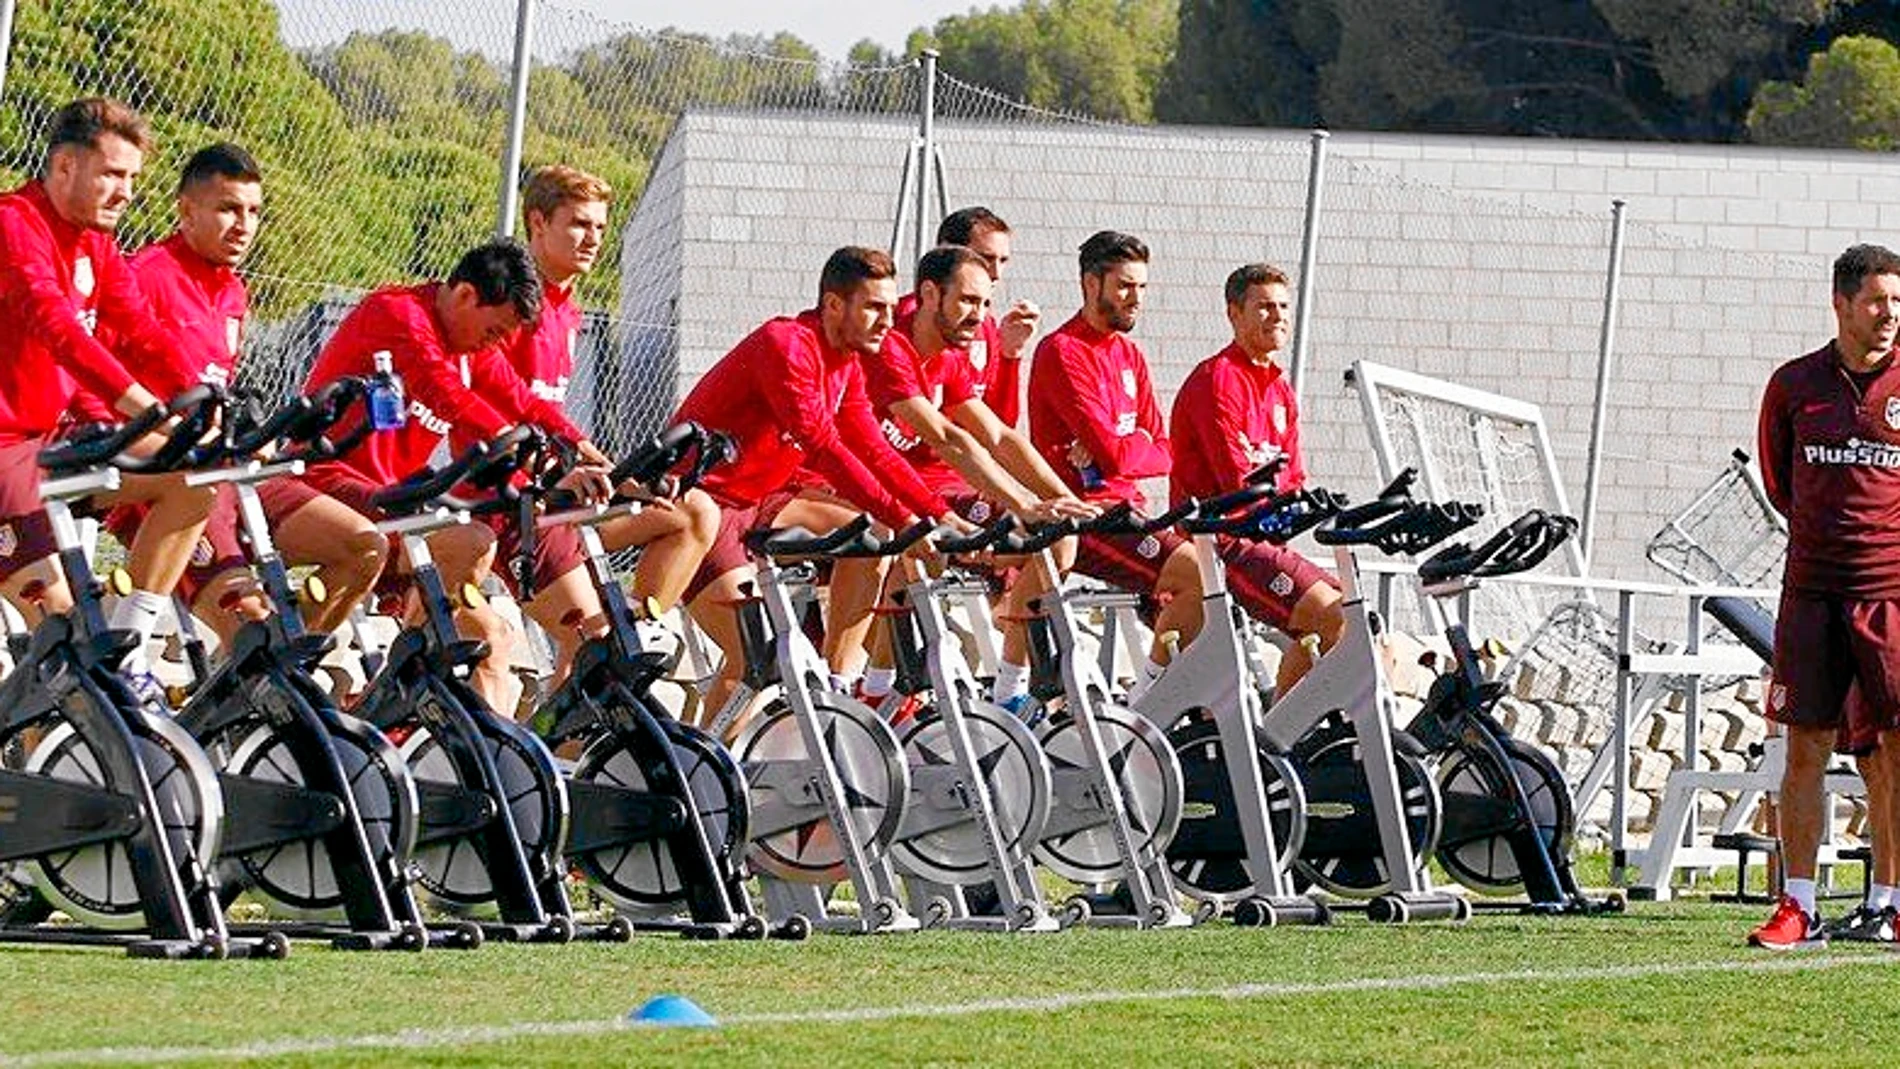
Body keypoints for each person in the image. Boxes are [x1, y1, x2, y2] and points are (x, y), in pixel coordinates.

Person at [454, 164, 719, 699]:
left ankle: (643, 629)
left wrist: (612, 471)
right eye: (578, 224)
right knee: (592, 644)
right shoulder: (513, 308)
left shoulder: (568, 311)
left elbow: (552, 419)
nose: (593, 238)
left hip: (559, 495)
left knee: (692, 512)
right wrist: (561, 472)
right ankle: (557, 756)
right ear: (537, 223)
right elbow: (490, 416)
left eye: (600, 227)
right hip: (512, 504)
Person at [673, 245, 958, 733]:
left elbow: (873, 449)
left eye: (891, 309)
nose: (887, 322)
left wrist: (935, 514)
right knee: (754, 662)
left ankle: (838, 691)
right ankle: (702, 767)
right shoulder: (786, 344)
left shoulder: (844, 362)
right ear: (832, 305)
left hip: (761, 501)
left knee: (870, 538)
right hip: (705, 505)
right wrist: (909, 519)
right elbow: (824, 447)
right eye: (874, 307)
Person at [0, 97, 218, 704]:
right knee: (62, 633)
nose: (126, 191)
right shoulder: (15, 222)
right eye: (113, 174)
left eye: (132, 178)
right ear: (65, 167)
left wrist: (202, 401)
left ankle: (130, 650)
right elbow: (57, 329)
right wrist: (144, 406)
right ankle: (42, 772)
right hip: (2, 453)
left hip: (47, 444)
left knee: (195, 474)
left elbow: (143, 331)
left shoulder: (96, 243)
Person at [297, 238, 548, 714]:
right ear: (467, 295)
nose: (494, 344)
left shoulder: (469, 344)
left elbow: (524, 401)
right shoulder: (399, 314)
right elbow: (447, 392)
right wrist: (525, 451)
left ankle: (400, 701)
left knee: (490, 627)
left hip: (394, 500)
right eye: (494, 331)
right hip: (328, 480)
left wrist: (583, 452)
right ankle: (295, 671)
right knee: (463, 546)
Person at [851, 244, 1094, 713]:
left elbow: (999, 436)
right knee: (922, 538)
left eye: (984, 304)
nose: (978, 315)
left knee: (1059, 536)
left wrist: (1065, 500)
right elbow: (948, 438)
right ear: (928, 294)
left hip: (917, 490)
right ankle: (873, 685)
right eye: (967, 301)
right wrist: (1023, 504)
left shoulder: (949, 355)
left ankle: (1007, 690)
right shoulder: (892, 346)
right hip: (859, 491)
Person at [1752, 242, 1900, 947]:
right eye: (1877, 301)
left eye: (1897, 303)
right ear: (1841, 303)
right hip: (1811, 592)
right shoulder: (1794, 385)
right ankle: (1799, 903)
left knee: (1895, 750)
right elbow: (1781, 484)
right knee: (1803, 748)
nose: (1889, 315)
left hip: (1892, 595)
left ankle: (1890, 899)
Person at [1026, 230, 1205, 696]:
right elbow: (1113, 453)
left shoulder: (1130, 355)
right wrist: (1128, 445)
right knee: (1203, 581)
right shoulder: (1062, 351)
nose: (1136, 298)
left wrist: (1130, 446)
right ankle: (1147, 702)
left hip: (1131, 512)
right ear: (1091, 284)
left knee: (1218, 590)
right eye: (1125, 286)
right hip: (1085, 516)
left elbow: (1165, 452)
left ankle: (1164, 701)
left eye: (1142, 288)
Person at [1169, 263, 1344, 694]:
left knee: (1352, 615)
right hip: (1222, 544)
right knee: (1332, 614)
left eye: (1284, 306)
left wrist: (1290, 504)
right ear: (1234, 313)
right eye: (1264, 307)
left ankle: (1285, 732)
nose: (1278, 316)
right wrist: (1278, 501)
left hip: (1261, 542)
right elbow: (1239, 481)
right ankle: (1278, 738)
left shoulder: (1279, 388)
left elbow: (1292, 476)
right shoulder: (1216, 379)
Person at [935, 207, 1039, 427]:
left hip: (961, 457)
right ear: (947, 252)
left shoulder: (987, 326)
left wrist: (1010, 353)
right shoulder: (909, 319)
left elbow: (1000, 423)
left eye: (1003, 261)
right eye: (985, 258)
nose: (996, 273)